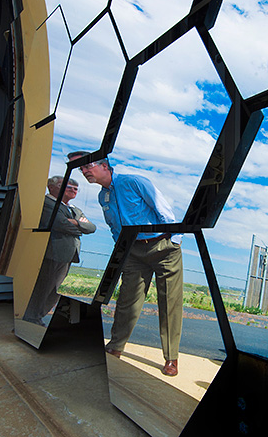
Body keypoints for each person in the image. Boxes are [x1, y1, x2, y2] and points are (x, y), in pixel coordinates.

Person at [67, 151, 184, 377]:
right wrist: (122, 250)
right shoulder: (103, 197)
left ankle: (171, 358)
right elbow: (114, 227)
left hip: (163, 247)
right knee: (127, 300)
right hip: (133, 252)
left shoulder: (134, 182)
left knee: (169, 302)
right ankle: (116, 346)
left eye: (86, 166)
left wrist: (173, 241)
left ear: (104, 165)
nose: (84, 172)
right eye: (80, 169)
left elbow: (162, 209)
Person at [22, 176, 96, 326]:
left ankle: (38, 316)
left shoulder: (74, 209)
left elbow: (92, 227)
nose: (73, 190)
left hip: (68, 254)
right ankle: (31, 317)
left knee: (54, 289)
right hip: (52, 252)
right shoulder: (47, 203)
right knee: (43, 287)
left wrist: (75, 224)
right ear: (51, 187)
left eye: (76, 189)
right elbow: (59, 223)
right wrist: (78, 226)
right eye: (68, 187)